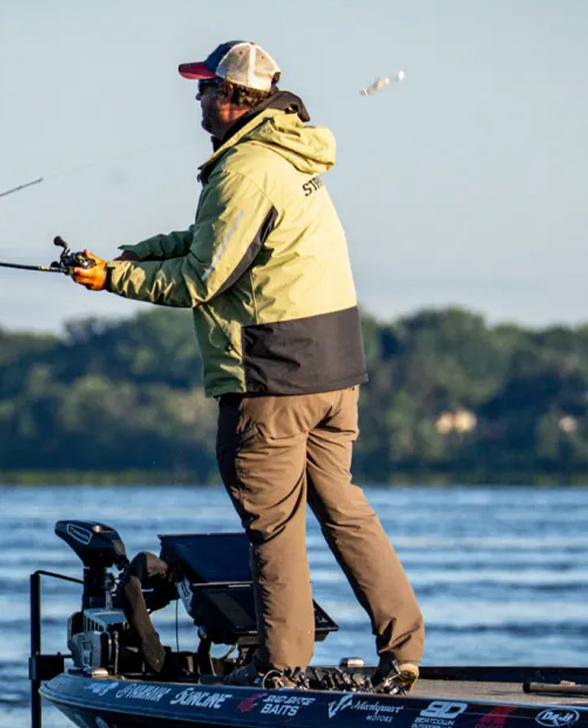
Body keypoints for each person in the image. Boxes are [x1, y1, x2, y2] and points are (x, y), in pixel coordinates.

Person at [69, 40, 424, 690]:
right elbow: (216, 237)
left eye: (205, 88)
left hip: (271, 377)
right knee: (344, 508)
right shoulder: (291, 154)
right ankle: (403, 650)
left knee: (273, 526)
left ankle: (281, 671)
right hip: (335, 370)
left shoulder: (244, 169)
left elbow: (204, 277)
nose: (197, 98)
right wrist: (133, 255)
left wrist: (113, 280)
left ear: (233, 99)